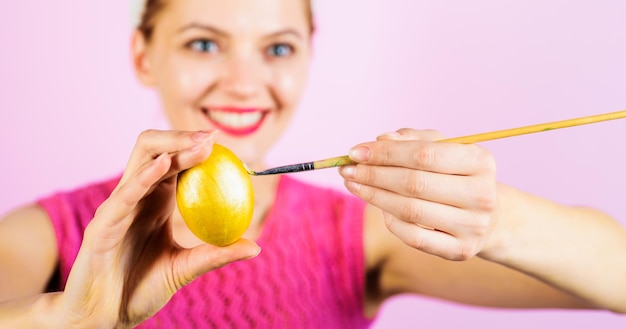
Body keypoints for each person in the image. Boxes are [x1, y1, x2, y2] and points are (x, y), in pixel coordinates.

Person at [1, 0, 625, 327]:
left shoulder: (352, 238)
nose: (245, 84)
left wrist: (498, 221)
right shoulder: (48, 238)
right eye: (202, 42)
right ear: (143, 55)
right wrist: (63, 320)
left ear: (307, 57)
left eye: (277, 48)